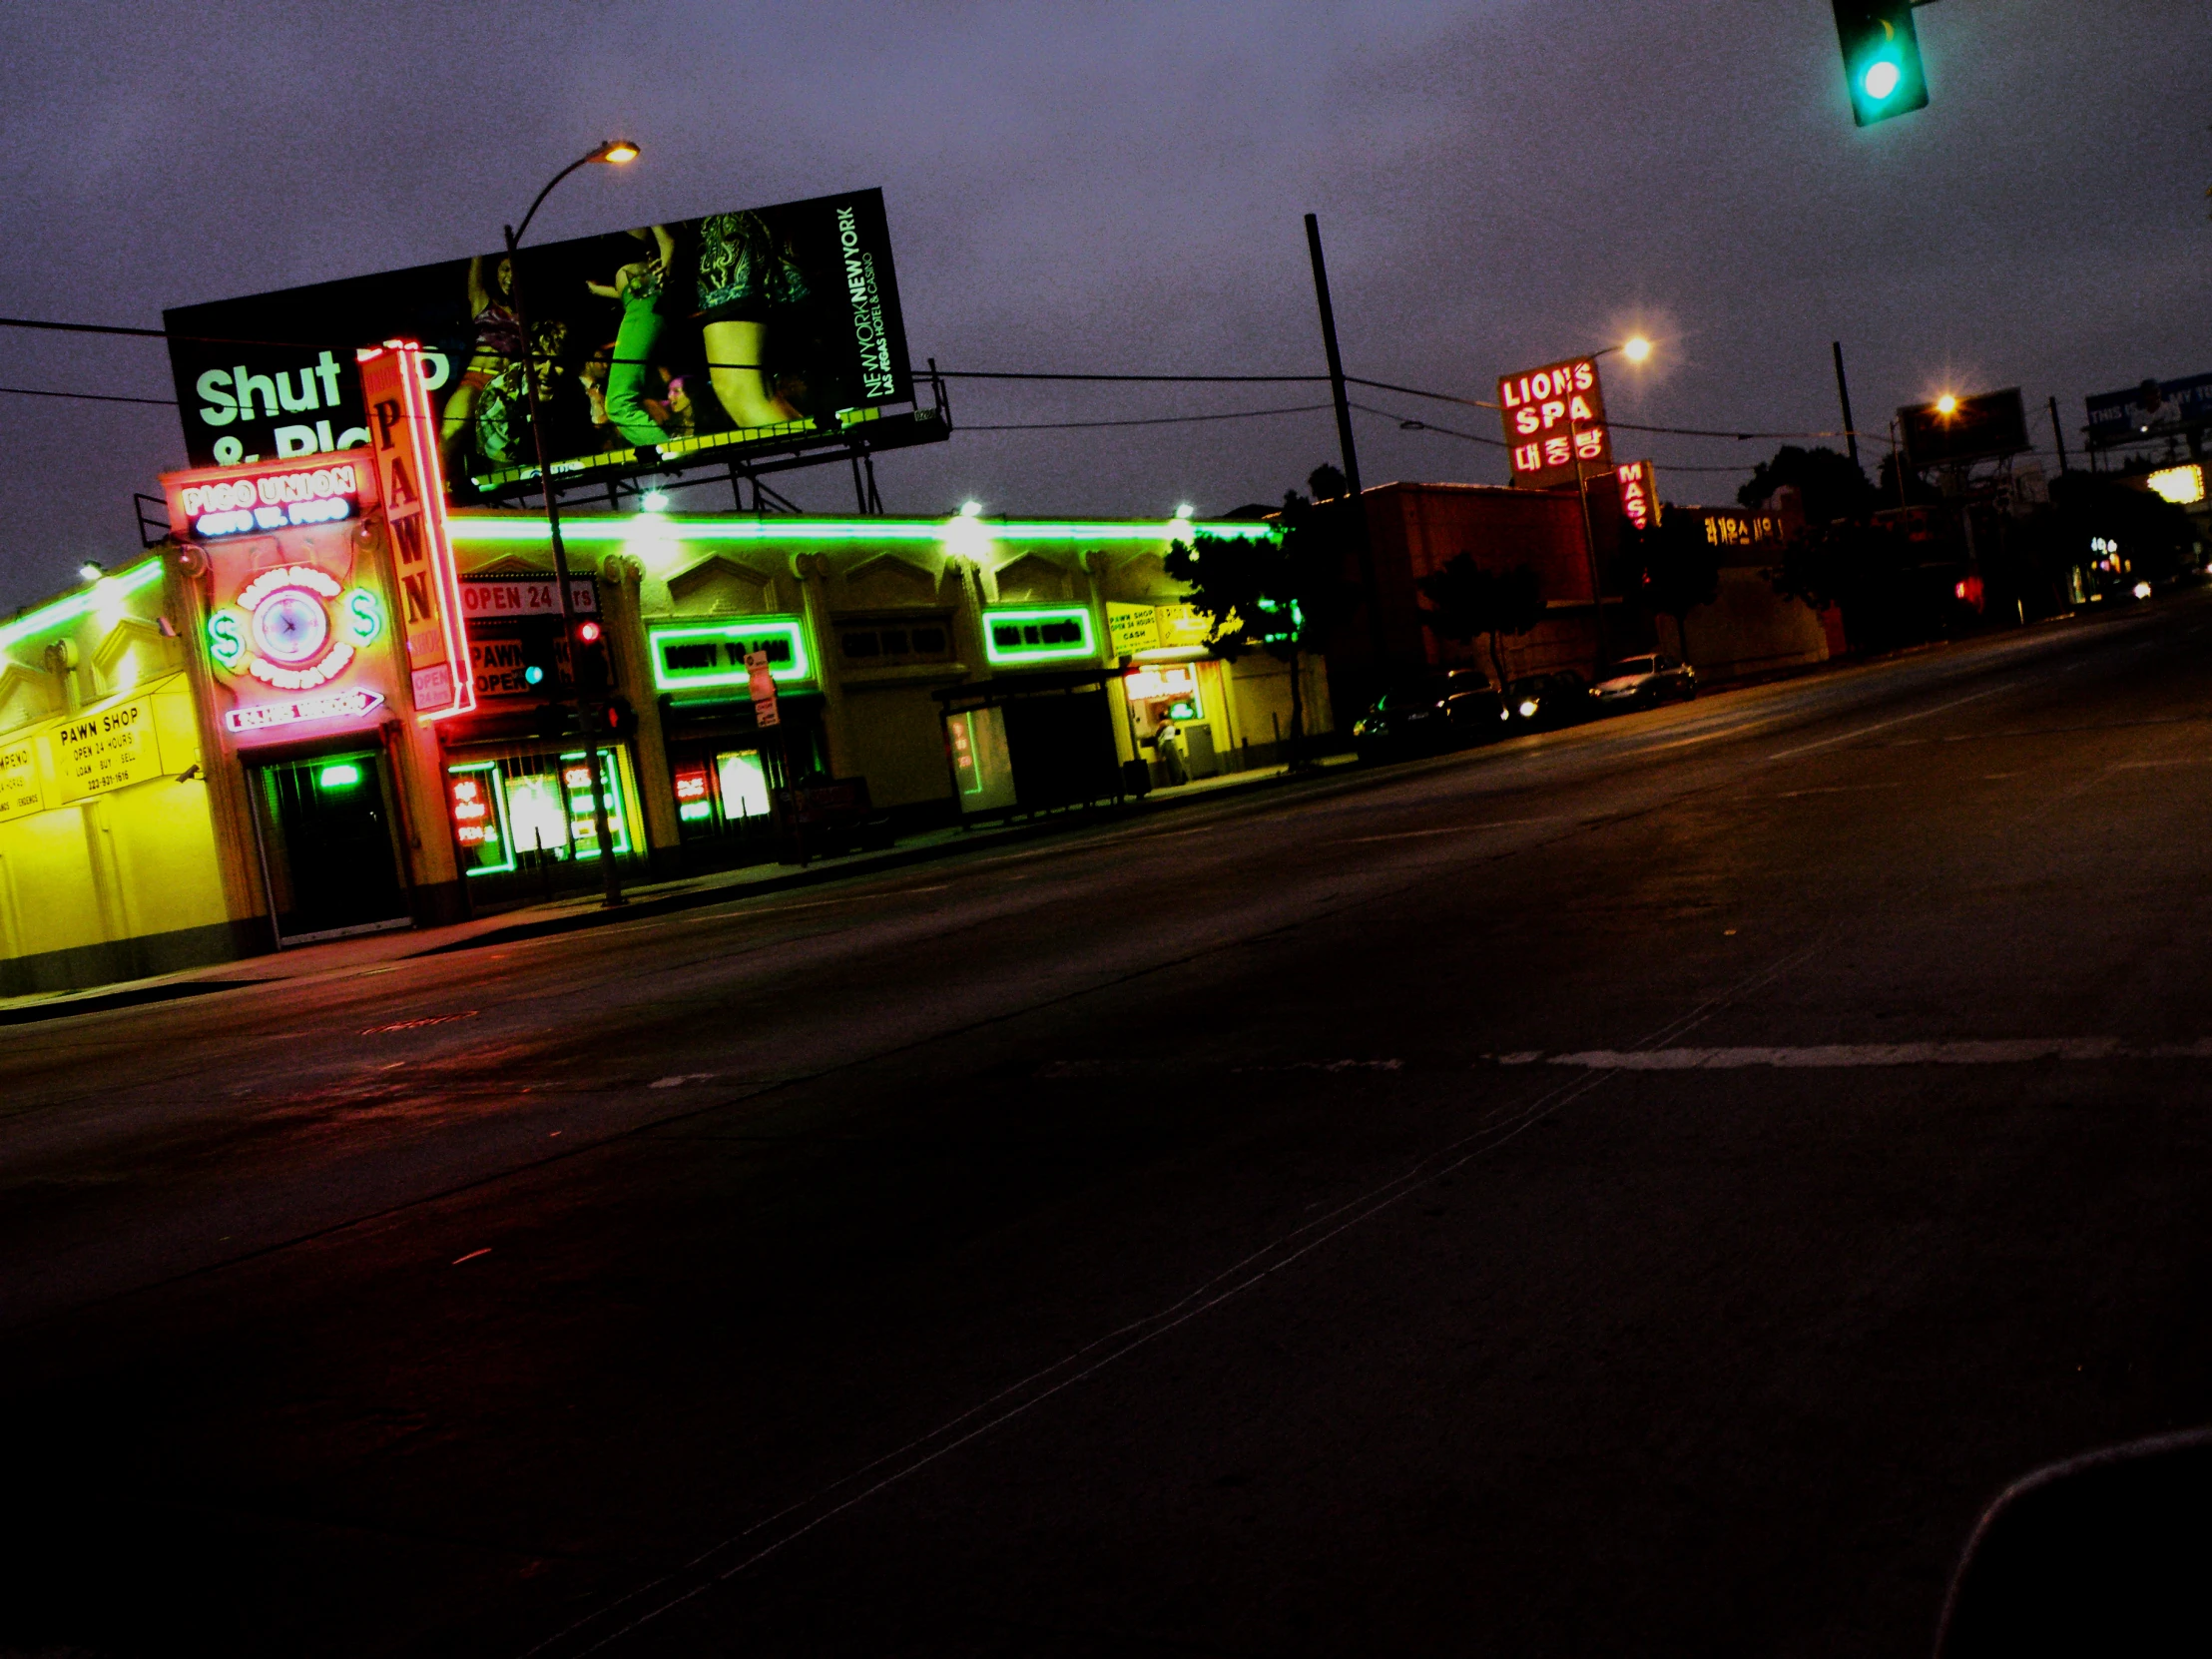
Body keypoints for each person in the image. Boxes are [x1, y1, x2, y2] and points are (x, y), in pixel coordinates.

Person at [694, 210, 808, 430]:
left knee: (739, 392)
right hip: (746, 236)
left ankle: (816, 461)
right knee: (763, 395)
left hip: (728, 246)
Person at [586, 226, 677, 448]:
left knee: (618, 403)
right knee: (622, 400)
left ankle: (673, 455)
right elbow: (623, 289)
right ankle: (670, 451)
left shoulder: (629, 204)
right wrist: (597, 291)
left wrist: (665, 273)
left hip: (644, 299)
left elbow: (668, 241)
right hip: (635, 301)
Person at [441, 254, 523, 475]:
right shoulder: (483, 302)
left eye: (514, 271)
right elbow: (475, 271)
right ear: (496, 273)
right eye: (504, 270)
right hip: (476, 378)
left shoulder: (527, 315)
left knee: (502, 456)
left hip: (503, 388)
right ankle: (440, 486)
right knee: (451, 431)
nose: (509, 276)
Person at [1154, 717, 1188, 787]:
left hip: (1167, 744)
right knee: (1176, 762)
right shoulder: (1168, 725)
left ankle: (1177, 779)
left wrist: (1160, 753)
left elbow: (1159, 738)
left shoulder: (1164, 726)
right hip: (1170, 743)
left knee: (1172, 763)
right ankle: (1179, 778)